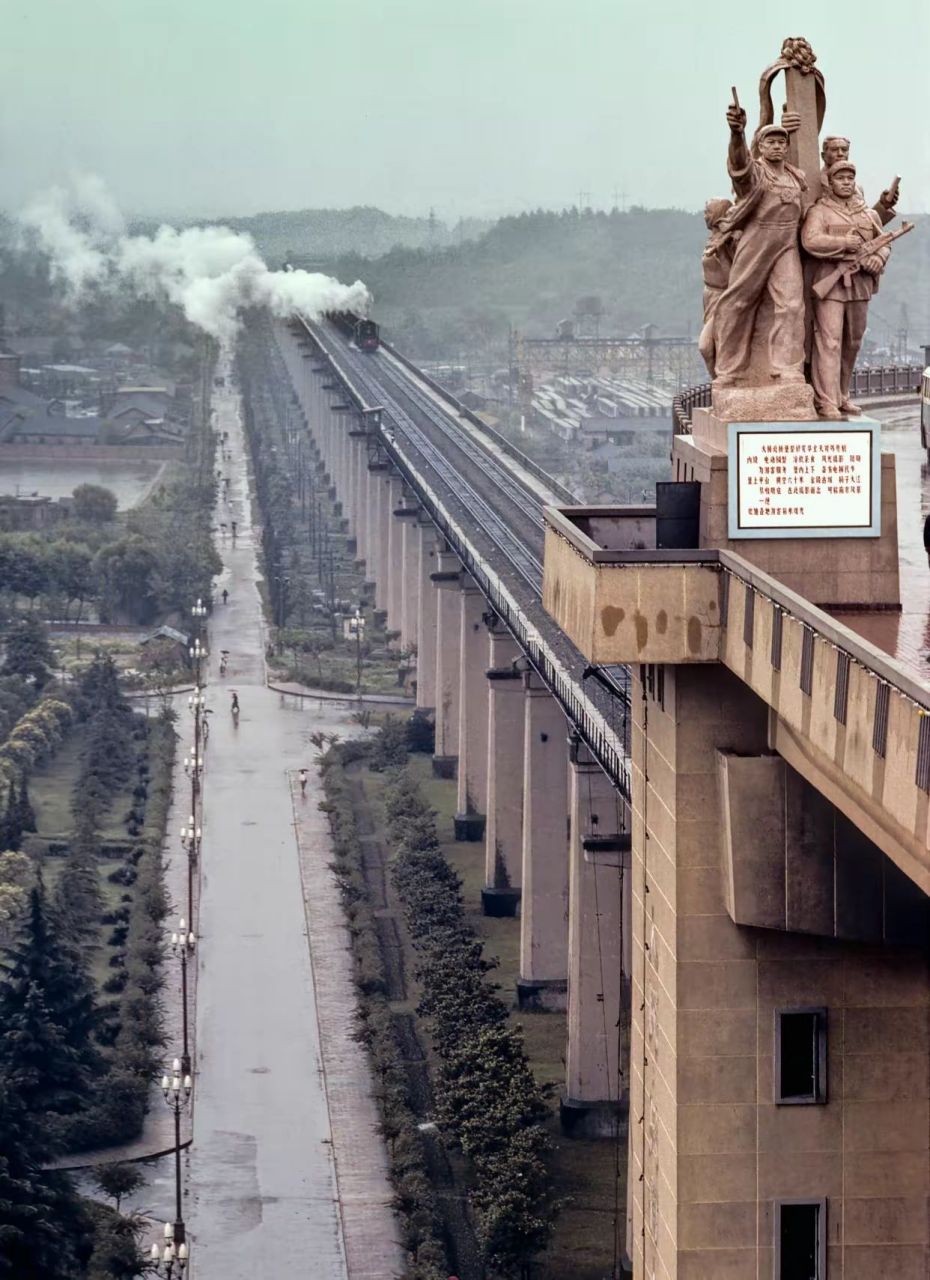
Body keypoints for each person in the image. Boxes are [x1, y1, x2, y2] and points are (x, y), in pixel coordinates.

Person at [711, 108, 807, 388]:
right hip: (758, 238)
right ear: (761, 147)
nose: (777, 146)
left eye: (781, 142)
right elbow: (739, 167)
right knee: (738, 302)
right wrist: (737, 133)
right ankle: (728, 369)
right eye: (770, 142)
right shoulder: (757, 173)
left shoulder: (796, 176)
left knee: (791, 305)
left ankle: (786, 369)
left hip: (787, 243)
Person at [802, 160, 890, 419]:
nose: (846, 182)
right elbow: (810, 240)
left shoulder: (868, 214)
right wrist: (843, 243)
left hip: (860, 283)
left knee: (853, 341)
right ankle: (827, 400)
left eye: (850, 178)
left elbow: (883, 242)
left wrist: (879, 258)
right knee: (829, 341)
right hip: (831, 281)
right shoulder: (819, 212)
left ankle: (843, 395)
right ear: (830, 182)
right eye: (840, 178)